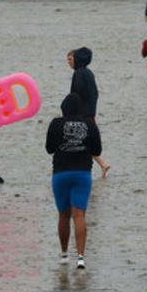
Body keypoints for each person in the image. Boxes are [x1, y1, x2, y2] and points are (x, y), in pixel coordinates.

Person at [45, 93, 102, 269]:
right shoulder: (90, 124)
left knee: (63, 215)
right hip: (82, 174)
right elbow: (97, 150)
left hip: (60, 174)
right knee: (79, 215)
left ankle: (63, 254)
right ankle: (80, 257)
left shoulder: (55, 123)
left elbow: (49, 149)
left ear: (63, 109)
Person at [67, 46, 110, 177]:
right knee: (84, 141)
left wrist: (71, 113)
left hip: (82, 115)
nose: (68, 62)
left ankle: (93, 167)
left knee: (80, 142)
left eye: (70, 59)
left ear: (77, 59)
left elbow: (76, 96)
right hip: (90, 113)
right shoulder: (88, 72)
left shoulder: (78, 74)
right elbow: (94, 94)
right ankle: (102, 164)